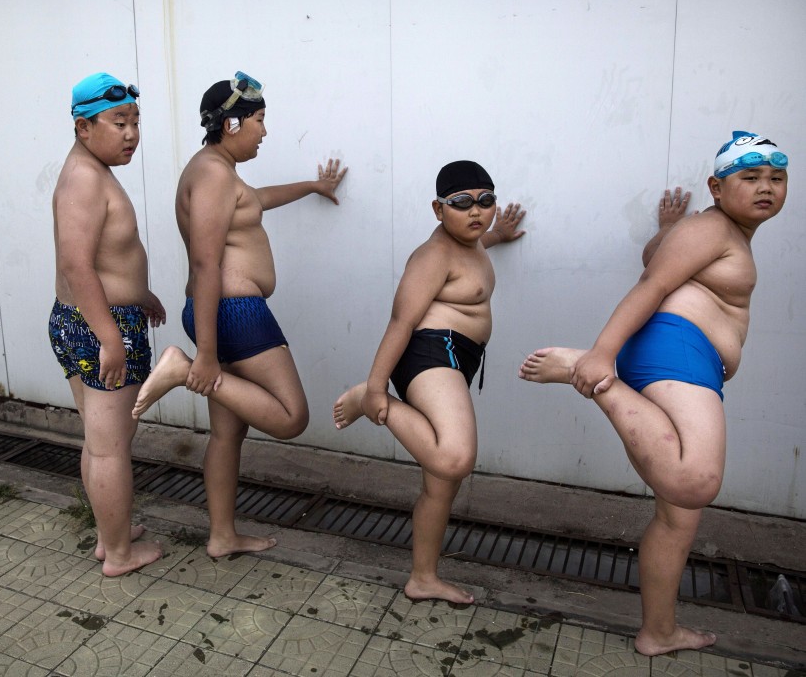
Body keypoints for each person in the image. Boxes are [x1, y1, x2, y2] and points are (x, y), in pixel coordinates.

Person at [518, 131, 788, 655]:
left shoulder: (701, 232)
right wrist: (599, 355)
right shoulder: (713, 228)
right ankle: (598, 381)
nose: (766, 188)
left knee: (676, 518)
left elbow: (654, 257)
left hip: (689, 358)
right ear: (716, 186)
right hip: (677, 352)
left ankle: (658, 631)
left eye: (777, 179)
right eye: (750, 177)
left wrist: (666, 229)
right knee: (695, 482)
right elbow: (652, 285)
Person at [132, 71, 347, 558]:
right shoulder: (211, 175)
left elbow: (258, 200)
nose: (265, 132)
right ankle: (182, 370)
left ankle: (222, 536)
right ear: (231, 124)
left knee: (228, 432)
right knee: (292, 417)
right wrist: (203, 356)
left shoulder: (220, 171)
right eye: (259, 120)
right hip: (232, 313)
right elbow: (207, 263)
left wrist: (313, 185)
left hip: (226, 312)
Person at [332, 161, 525, 603]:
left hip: (458, 358)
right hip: (431, 352)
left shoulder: (473, 245)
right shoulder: (433, 255)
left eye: (486, 201)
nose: (476, 212)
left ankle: (423, 578)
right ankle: (368, 399)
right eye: (461, 204)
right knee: (455, 458)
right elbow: (401, 320)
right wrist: (377, 386)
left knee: (440, 484)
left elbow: (478, 245)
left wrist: (501, 233)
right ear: (438, 210)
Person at [47, 72, 165, 576]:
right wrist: (110, 336)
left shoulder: (90, 170)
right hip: (100, 325)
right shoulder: (84, 179)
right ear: (83, 127)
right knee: (112, 448)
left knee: (100, 442)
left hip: (97, 318)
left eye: (136, 122)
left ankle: (108, 534)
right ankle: (118, 553)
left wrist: (142, 294)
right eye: (119, 122)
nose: (131, 133)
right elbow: (77, 265)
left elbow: (109, 256)